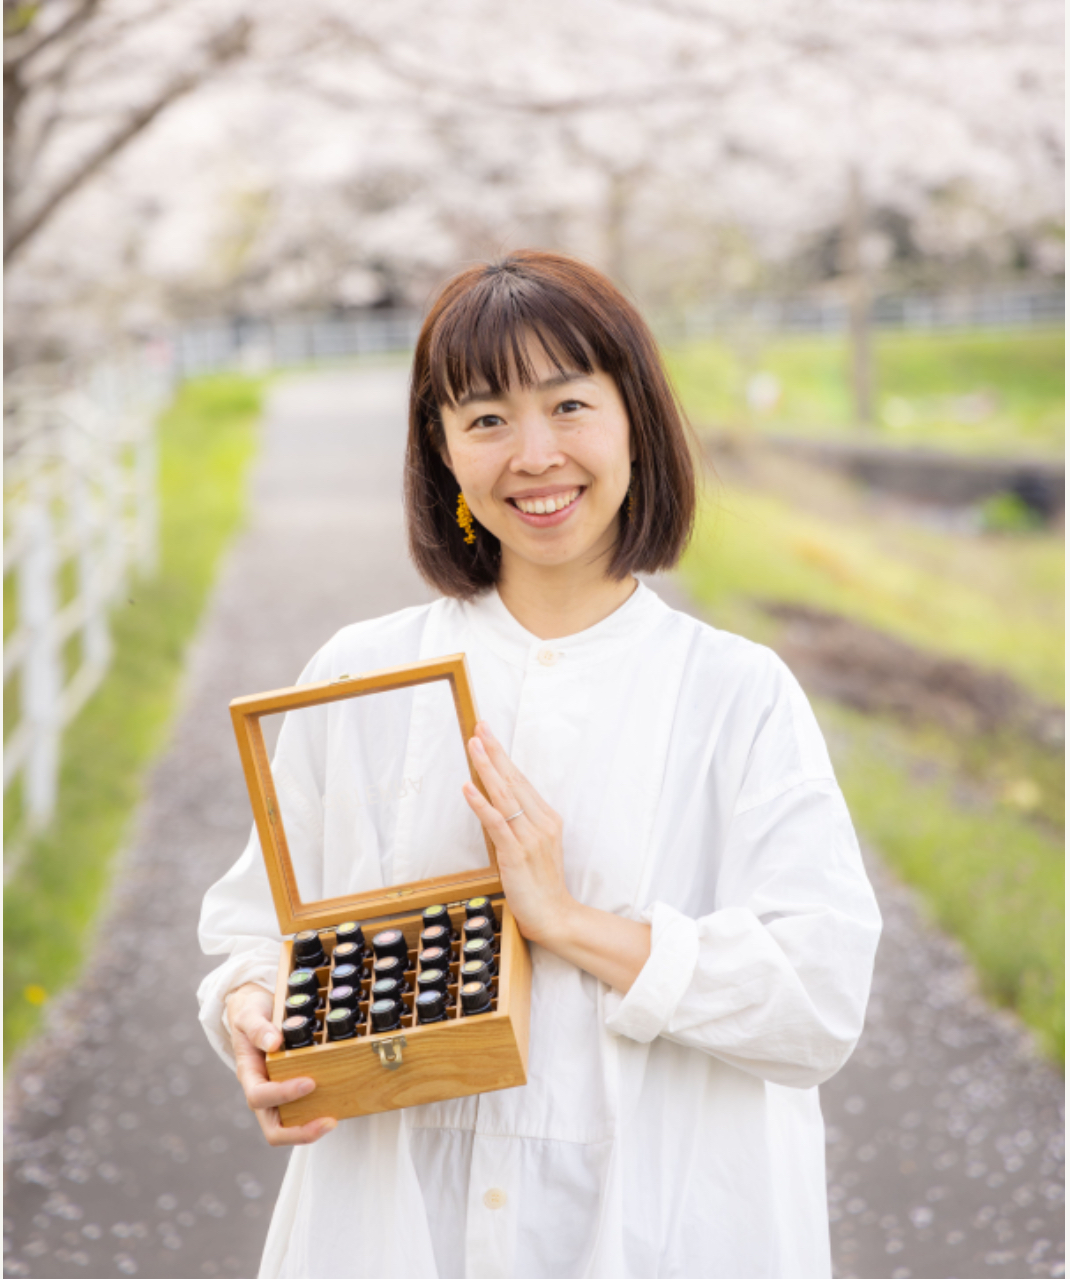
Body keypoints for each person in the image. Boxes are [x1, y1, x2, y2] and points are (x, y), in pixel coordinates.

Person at [198, 250, 882, 1278]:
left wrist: (565, 921)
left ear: (634, 421)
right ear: (440, 451)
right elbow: (259, 927)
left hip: (656, 1223)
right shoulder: (364, 676)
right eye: (483, 418)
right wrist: (255, 1011)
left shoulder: (734, 693)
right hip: (400, 1224)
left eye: (567, 404)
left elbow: (816, 1000)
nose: (533, 454)